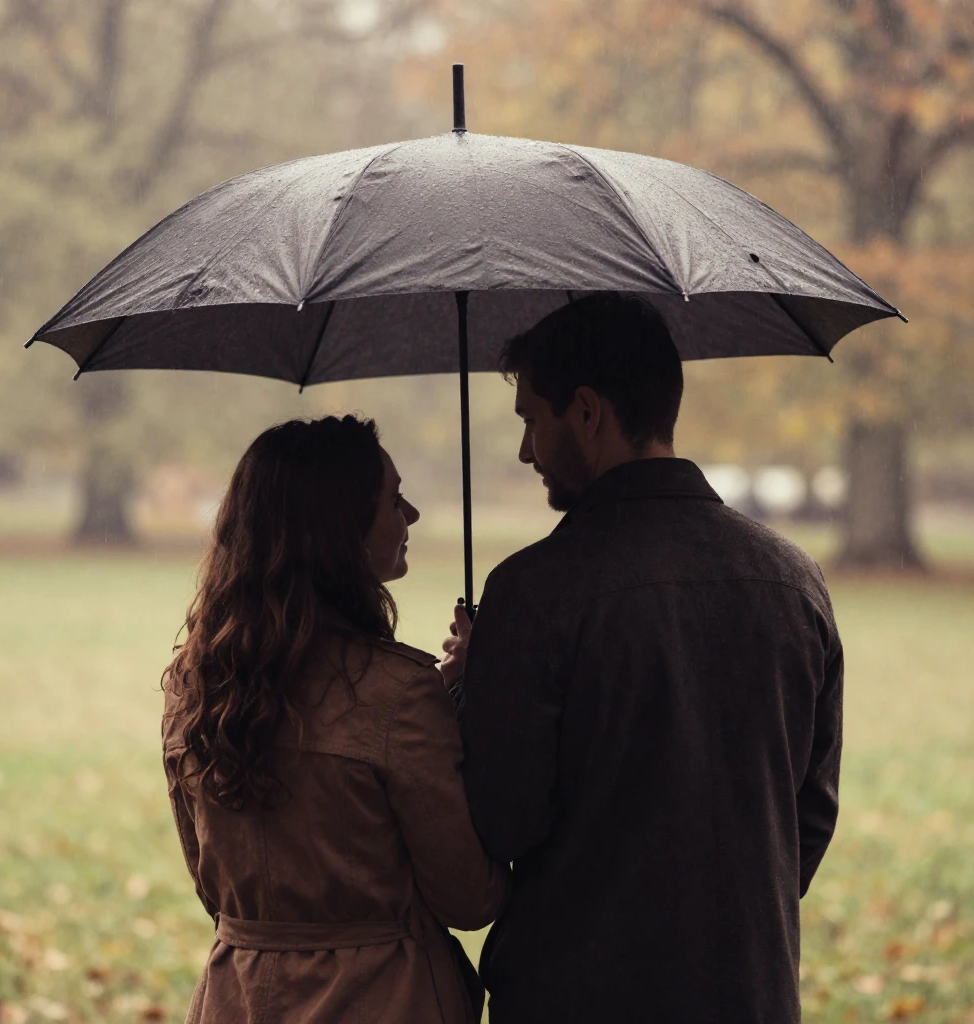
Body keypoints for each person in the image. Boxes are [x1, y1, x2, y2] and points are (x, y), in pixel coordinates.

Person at [440, 294, 843, 1024]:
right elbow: (809, 814)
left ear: (587, 412)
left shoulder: (533, 592)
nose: (526, 450)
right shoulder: (794, 578)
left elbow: (502, 823)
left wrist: (472, 692)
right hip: (749, 992)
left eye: (532, 419)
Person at [162, 415, 507, 1024]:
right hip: (384, 1000)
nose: (412, 516)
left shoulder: (197, 685)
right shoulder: (400, 693)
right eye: (394, 499)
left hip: (237, 1000)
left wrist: (439, 692)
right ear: (338, 530)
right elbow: (469, 896)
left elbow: (214, 887)